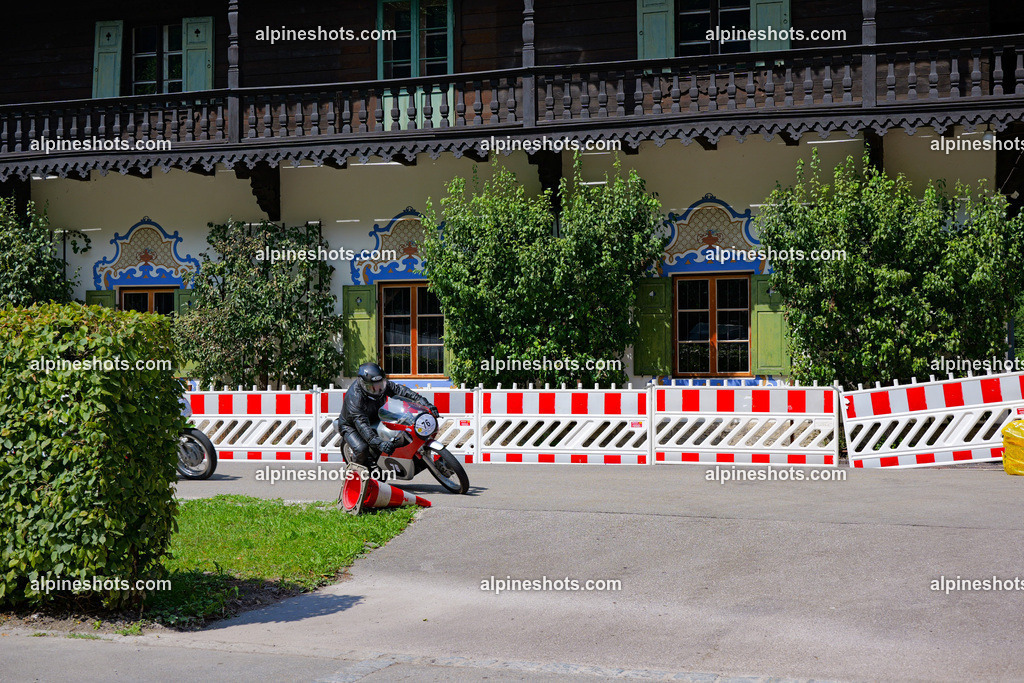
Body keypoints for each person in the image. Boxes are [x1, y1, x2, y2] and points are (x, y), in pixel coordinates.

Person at [337, 362, 439, 468]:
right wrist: (379, 443)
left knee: (406, 422)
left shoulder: (382, 384)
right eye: (372, 387)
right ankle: (354, 472)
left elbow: (401, 391)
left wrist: (424, 403)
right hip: (351, 425)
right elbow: (362, 425)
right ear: (363, 384)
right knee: (361, 449)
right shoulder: (355, 398)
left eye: (380, 385)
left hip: (376, 415)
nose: (378, 390)